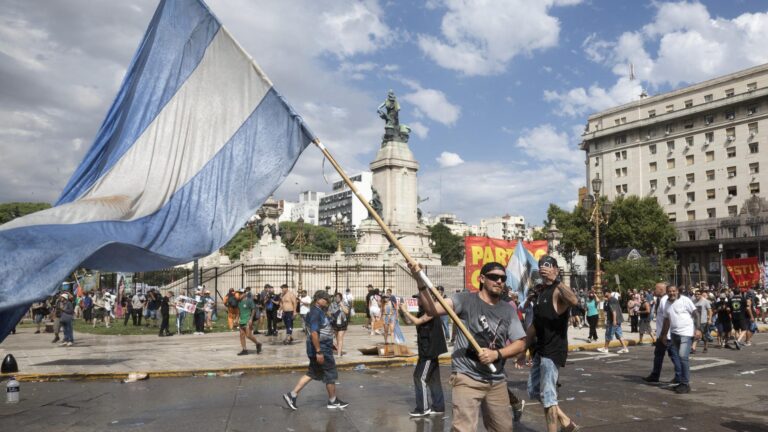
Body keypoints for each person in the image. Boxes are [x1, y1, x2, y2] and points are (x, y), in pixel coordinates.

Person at [415, 261, 526, 432]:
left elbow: (520, 343)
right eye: (494, 277)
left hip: (496, 380)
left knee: (504, 428)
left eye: (502, 278)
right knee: (463, 429)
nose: (499, 281)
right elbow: (431, 310)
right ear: (482, 278)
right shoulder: (465, 300)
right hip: (467, 378)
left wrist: (497, 354)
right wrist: (420, 280)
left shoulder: (507, 310)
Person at [525, 256, 582, 432]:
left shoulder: (558, 290)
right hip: (540, 350)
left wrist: (555, 280)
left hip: (553, 350)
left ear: (556, 269)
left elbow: (573, 300)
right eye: (541, 265)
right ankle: (566, 422)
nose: (544, 268)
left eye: (548, 266)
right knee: (533, 390)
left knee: (549, 397)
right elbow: (534, 325)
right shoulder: (540, 292)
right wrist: (523, 350)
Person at [283, 290, 348, 410]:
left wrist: (330, 342)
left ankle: (292, 395)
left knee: (312, 373)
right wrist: (319, 351)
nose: (328, 302)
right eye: (326, 299)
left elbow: (323, 330)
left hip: (323, 346)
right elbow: (314, 333)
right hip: (321, 348)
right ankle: (332, 401)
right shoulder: (315, 313)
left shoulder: (319, 311)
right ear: (318, 300)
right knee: (330, 373)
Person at [399, 293, 447, 417]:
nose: (417, 300)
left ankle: (423, 408)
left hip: (429, 351)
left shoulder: (432, 310)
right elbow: (409, 321)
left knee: (419, 377)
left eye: (419, 298)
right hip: (427, 350)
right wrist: (402, 311)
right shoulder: (422, 311)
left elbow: (417, 321)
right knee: (433, 379)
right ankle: (438, 406)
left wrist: (406, 311)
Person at [659, 285, 700, 394]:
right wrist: (663, 335)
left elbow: (696, 314)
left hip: (686, 333)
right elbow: (667, 321)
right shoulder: (667, 303)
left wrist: (698, 329)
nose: (672, 293)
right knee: (678, 357)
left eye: (674, 291)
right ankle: (681, 381)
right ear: (667, 292)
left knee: (683, 357)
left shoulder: (685, 300)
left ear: (677, 291)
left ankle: (685, 384)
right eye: (669, 291)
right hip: (674, 334)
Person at [643, 283, 682, 385]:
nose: (654, 290)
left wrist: (664, 335)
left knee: (673, 356)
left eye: (655, 289)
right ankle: (655, 375)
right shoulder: (663, 300)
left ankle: (679, 377)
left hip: (666, 335)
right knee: (660, 355)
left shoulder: (665, 300)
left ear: (661, 289)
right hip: (665, 334)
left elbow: (668, 318)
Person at [237, 288, 263, 355]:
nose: (239, 294)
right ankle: (244, 350)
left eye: (241, 293)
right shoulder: (239, 302)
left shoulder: (249, 301)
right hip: (241, 320)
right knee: (241, 335)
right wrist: (237, 319)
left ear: (245, 293)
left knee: (248, 335)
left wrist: (251, 319)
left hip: (248, 320)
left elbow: (253, 309)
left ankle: (258, 343)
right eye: (239, 293)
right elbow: (239, 311)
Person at [329, 292, 349, 357]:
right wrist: (332, 314)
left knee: (340, 337)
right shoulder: (332, 304)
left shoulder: (344, 303)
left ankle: (339, 354)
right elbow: (329, 312)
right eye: (336, 297)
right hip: (335, 322)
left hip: (342, 322)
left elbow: (347, 312)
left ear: (341, 298)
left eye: (338, 297)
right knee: (337, 338)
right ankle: (339, 350)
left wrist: (342, 305)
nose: (337, 298)